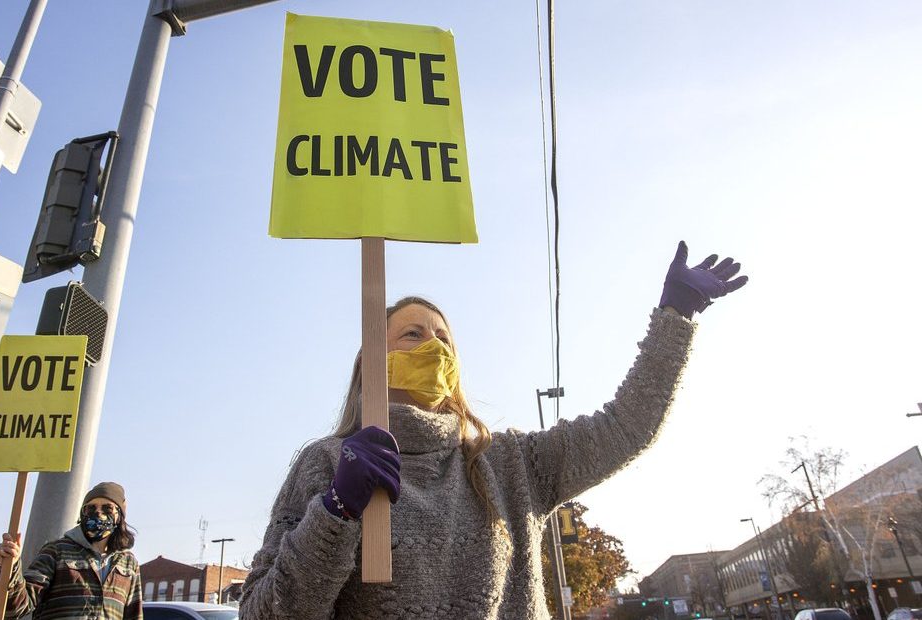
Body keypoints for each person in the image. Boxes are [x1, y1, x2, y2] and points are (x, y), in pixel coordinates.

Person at [238, 241, 748, 619]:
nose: (433, 347)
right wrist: (336, 512)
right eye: (413, 334)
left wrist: (676, 316)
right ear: (372, 358)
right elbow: (264, 612)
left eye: (444, 339)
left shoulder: (510, 464)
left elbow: (625, 427)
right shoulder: (325, 464)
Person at [0, 481, 143, 620]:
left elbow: (134, 615)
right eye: (90, 508)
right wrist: (10, 568)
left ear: (119, 516)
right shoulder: (56, 551)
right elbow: (18, 607)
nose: (98, 513)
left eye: (107, 508)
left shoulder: (128, 563)